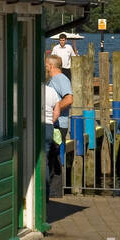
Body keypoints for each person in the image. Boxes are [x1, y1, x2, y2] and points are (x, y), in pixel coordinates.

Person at [45, 54, 73, 197]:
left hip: (58, 123)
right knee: (52, 157)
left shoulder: (60, 79)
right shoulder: (55, 80)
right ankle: (53, 192)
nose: (45, 68)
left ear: (51, 66)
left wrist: (54, 109)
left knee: (52, 157)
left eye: (46, 65)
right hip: (55, 122)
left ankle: (53, 192)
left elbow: (69, 99)